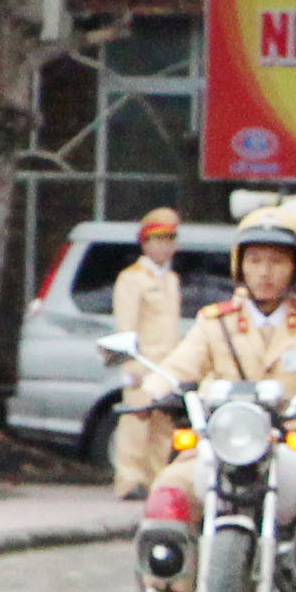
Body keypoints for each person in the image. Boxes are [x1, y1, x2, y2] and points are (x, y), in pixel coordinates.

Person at [140, 208, 296, 592]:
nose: (265, 272)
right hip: (225, 444)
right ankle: (169, 585)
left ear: (295, 267)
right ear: (240, 266)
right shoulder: (216, 321)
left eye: (277, 261)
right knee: (170, 482)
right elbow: (179, 363)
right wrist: (152, 390)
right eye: (255, 260)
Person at [108, 206, 188, 500]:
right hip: (142, 364)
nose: (166, 246)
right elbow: (125, 327)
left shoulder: (171, 279)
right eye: (159, 239)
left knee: (163, 428)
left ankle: (157, 481)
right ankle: (129, 481)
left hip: (166, 366)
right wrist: (130, 367)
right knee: (135, 423)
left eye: (171, 239)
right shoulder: (132, 279)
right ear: (145, 243)